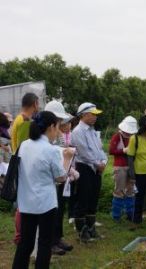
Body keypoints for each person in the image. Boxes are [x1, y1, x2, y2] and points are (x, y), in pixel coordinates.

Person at [12, 111, 72, 269]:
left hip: (26, 202)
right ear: (51, 127)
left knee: (25, 243)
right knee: (44, 244)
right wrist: (66, 159)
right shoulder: (50, 149)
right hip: (46, 204)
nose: (57, 131)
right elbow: (60, 177)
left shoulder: (24, 145)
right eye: (57, 127)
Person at [44, 100, 78, 255]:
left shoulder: (59, 134)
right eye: (58, 120)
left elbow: (62, 153)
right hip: (50, 178)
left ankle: (58, 238)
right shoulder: (46, 133)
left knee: (59, 209)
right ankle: (50, 242)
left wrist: (69, 168)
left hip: (61, 175)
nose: (61, 123)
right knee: (51, 212)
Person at [71, 102, 107, 242]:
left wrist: (103, 162)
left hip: (96, 169)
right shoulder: (77, 131)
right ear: (84, 114)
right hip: (84, 168)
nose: (95, 117)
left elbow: (100, 149)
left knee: (93, 197)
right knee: (83, 198)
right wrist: (98, 164)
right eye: (93, 114)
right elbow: (84, 152)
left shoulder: (93, 130)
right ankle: (82, 231)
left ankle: (91, 228)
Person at [11, 93, 39, 245]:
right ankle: (20, 236)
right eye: (38, 103)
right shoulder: (23, 120)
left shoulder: (20, 119)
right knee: (22, 205)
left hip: (20, 163)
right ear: (35, 103)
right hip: (22, 165)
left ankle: (21, 235)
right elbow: (24, 147)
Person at [109, 116, 138, 221]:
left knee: (130, 190)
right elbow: (111, 151)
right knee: (119, 190)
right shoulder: (117, 136)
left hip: (131, 166)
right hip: (120, 166)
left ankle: (130, 214)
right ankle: (116, 215)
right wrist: (123, 151)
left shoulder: (134, 137)